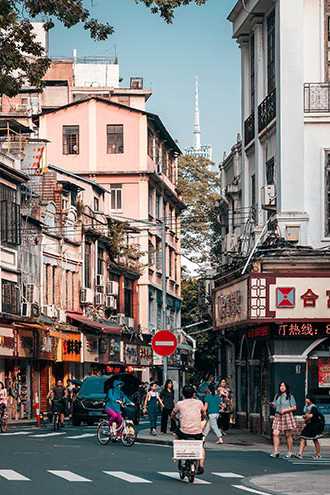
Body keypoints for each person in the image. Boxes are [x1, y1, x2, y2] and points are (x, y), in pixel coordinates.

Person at [171, 385, 207, 475]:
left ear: (183, 394)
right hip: (197, 432)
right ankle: (201, 465)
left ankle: (177, 453)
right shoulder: (199, 403)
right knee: (201, 446)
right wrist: (202, 418)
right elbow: (204, 414)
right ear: (194, 394)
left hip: (184, 431)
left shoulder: (179, 403)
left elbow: (173, 414)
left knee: (176, 434)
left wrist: (175, 419)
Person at [270, 381, 297, 458]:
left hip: (287, 415)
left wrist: (285, 410)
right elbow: (275, 405)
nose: (282, 387)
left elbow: (294, 407)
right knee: (275, 433)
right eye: (281, 386)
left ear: (286, 387)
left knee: (288, 435)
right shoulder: (277, 395)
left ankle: (289, 452)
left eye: (283, 386)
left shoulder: (290, 396)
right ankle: (276, 451)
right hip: (278, 415)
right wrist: (273, 404)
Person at [296, 394, 324, 460]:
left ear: (311, 399)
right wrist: (305, 416)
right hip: (309, 425)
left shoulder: (313, 407)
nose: (306, 400)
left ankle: (318, 454)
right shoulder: (306, 406)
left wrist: (305, 417)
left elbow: (311, 416)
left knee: (315, 439)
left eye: (307, 398)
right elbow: (306, 415)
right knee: (303, 438)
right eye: (306, 398)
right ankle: (300, 454)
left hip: (314, 425)